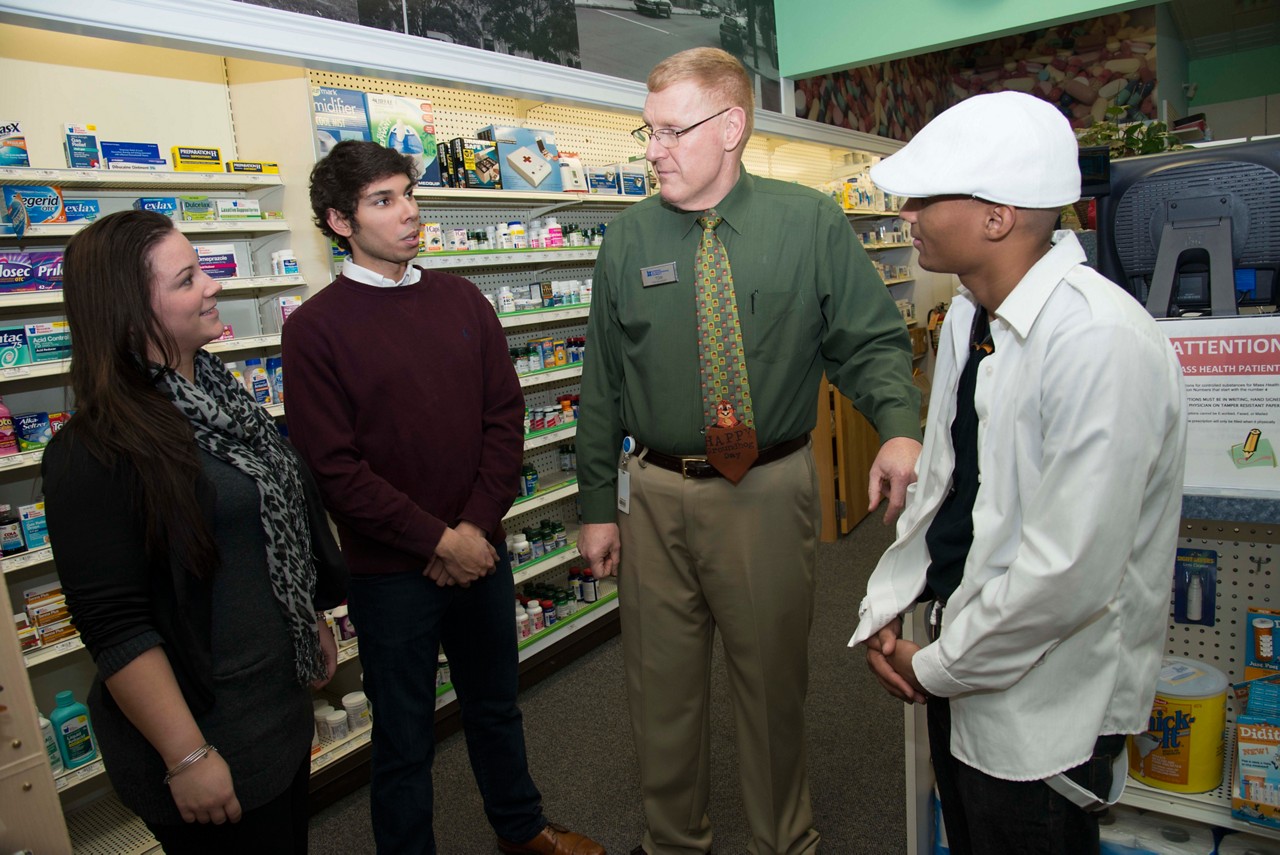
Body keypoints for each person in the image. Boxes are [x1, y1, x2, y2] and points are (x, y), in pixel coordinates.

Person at [576, 47, 923, 855]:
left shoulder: (806, 223)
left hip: (766, 491)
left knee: (771, 692)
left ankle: (784, 843)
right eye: (647, 131)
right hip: (655, 494)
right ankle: (673, 843)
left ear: (731, 126)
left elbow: (870, 342)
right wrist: (597, 507)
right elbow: (600, 384)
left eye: (671, 131)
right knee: (659, 697)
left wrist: (899, 424)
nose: (652, 149)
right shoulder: (625, 243)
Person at [851, 91, 1187, 854]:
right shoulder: (971, 316)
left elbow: (1067, 572)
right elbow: (946, 484)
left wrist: (935, 665)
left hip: (1043, 708)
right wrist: (892, 606)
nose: (908, 215)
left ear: (998, 217)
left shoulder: (1100, 342)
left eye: (925, 199)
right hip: (955, 659)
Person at [282, 140, 604, 855]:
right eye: (384, 201)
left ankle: (521, 831)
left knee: (495, 707)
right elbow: (335, 469)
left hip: (477, 549)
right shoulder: (313, 330)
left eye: (408, 194)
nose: (410, 213)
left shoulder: (461, 298)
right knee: (402, 738)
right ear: (340, 221)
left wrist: (474, 528)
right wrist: (438, 540)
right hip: (393, 573)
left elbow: (504, 417)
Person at [43, 209, 348, 853]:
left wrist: (308, 618)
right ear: (130, 316)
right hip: (207, 737)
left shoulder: (223, 399)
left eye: (202, 269)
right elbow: (115, 625)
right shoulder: (94, 450)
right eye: (187, 279)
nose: (212, 285)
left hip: (274, 710)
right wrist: (187, 757)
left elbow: (265, 533)